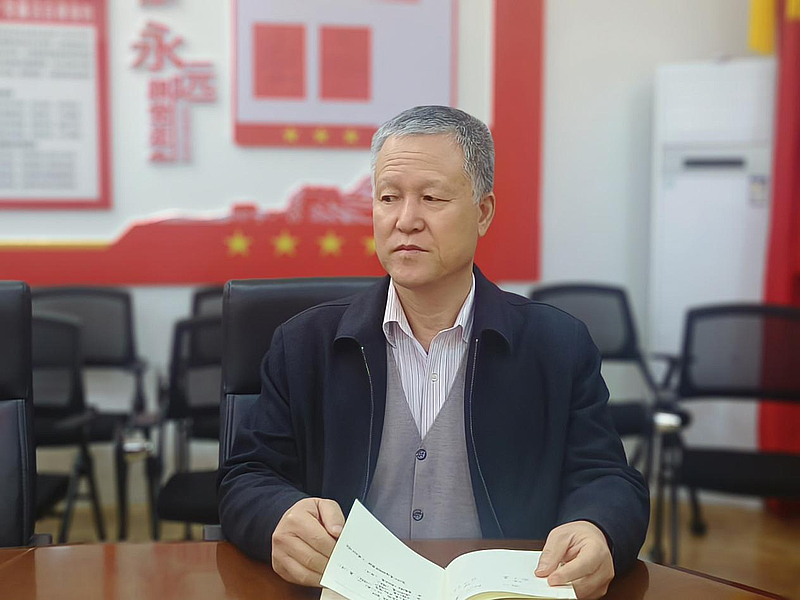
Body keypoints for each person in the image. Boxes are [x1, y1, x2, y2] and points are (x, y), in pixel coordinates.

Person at [218, 105, 649, 599]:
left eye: (431, 198)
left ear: (483, 212)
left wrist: (598, 528)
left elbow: (609, 480)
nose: (406, 221)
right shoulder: (304, 343)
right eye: (388, 197)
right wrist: (278, 515)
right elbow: (246, 476)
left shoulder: (557, 345)